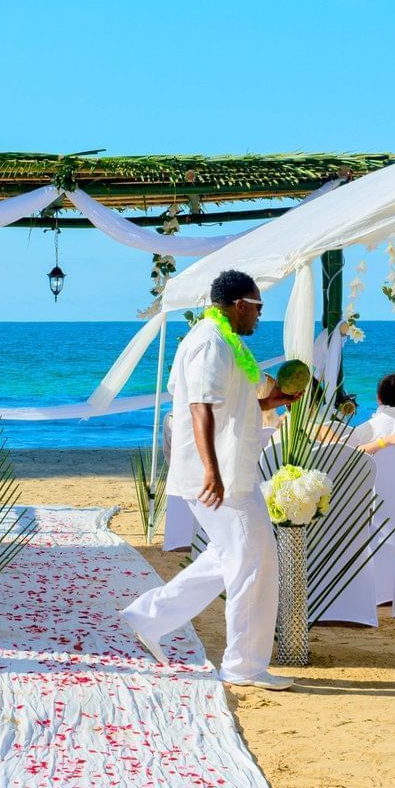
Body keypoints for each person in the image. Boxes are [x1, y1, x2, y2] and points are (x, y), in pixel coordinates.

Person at [121, 270, 300, 691]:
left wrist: (275, 399)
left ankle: (148, 617)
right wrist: (211, 471)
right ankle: (243, 665)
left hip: (234, 470)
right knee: (254, 563)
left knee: (227, 558)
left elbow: (234, 401)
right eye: (257, 306)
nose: (259, 315)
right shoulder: (209, 343)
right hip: (221, 476)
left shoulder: (227, 344)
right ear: (238, 304)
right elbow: (199, 408)